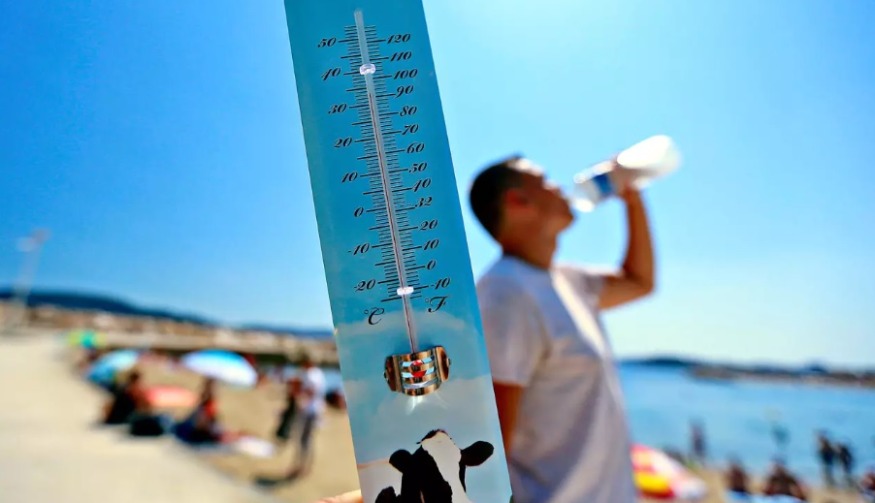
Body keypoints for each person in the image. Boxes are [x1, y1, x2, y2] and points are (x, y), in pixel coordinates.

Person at [468, 155, 655, 503]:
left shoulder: (567, 281)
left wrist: (632, 197)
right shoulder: (506, 293)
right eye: (546, 180)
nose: (560, 188)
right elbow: (492, 451)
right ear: (517, 201)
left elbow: (639, 281)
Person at [286, 353, 326, 478]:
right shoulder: (317, 373)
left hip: (310, 411)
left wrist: (298, 393)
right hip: (314, 410)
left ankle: (301, 467)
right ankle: (303, 466)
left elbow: (310, 391)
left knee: (304, 440)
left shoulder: (311, 375)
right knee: (306, 439)